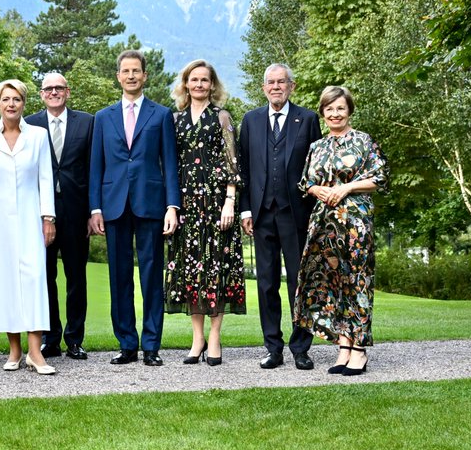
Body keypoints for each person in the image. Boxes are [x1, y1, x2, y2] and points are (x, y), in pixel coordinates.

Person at [89, 49, 181, 366]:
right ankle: (127, 344)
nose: (131, 76)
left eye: (136, 71)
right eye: (125, 71)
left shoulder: (161, 115)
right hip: (113, 206)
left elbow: (170, 163)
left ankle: (152, 345)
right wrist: (94, 209)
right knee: (119, 278)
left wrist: (173, 206)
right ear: (118, 76)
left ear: (145, 75)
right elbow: (96, 167)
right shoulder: (103, 118)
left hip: (151, 204)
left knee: (152, 277)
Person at [294, 86, 388, 376]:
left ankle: (359, 349)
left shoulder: (363, 141)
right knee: (334, 281)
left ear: (349, 111)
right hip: (324, 223)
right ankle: (343, 346)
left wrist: (346, 187)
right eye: (329, 109)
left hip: (356, 222)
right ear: (323, 112)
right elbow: (305, 183)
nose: (335, 114)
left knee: (357, 280)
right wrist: (319, 190)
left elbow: (380, 177)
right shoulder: (317, 147)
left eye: (340, 108)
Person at [238, 63, 322, 370]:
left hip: (296, 213)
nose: (276, 87)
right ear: (264, 88)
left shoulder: (308, 119)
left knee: (300, 283)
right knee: (266, 283)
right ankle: (273, 347)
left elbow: (316, 167)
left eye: (281, 82)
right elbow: (244, 170)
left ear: (291, 86)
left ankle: (301, 347)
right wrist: (245, 209)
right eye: (271, 82)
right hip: (261, 214)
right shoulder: (250, 120)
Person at [0, 80, 57, 374]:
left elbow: (46, 178)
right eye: (6, 99)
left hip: (32, 219)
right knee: (6, 281)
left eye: (16, 99)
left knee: (33, 280)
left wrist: (48, 218)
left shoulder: (38, 136)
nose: (11, 104)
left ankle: (36, 352)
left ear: (24, 103)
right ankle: (14, 350)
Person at [163, 60, 246, 366]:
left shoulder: (222, 117)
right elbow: (170, 164)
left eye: (204, 80)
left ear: (213, 85)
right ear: (185, 84)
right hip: (186, 205)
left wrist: (230, 200)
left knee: (217, 268)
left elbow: (232, 161)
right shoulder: (174, 120)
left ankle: (214, 337)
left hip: (216, 205)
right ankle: (197, 338)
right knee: (191, 270)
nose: (198, 84)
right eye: (193, 80)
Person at [25, 72, 94, 360]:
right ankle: (50, 338)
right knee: (45, 276)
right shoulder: (30, 124)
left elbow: (94, 169)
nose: (53, 92)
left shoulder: (87, 123)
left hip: (77, 210)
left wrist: (93, 212)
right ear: (41, 94)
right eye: (48, 88)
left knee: (76, 276)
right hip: (41, 211)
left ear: (67, 92)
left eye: (59, 88)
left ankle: (75, 338)